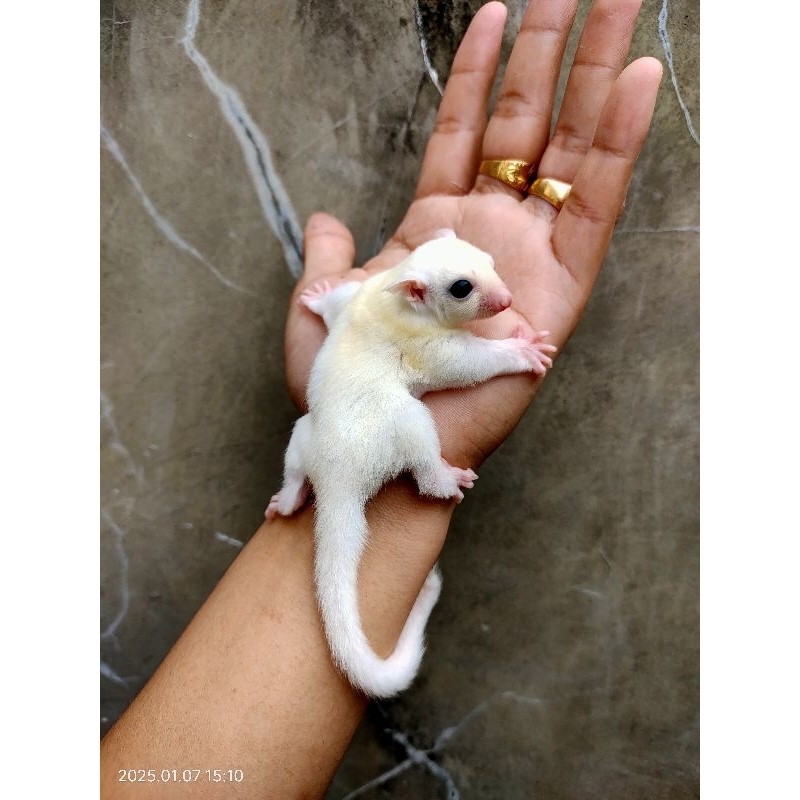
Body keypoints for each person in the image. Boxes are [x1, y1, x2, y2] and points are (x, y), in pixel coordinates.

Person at [100, 1, 662, 797]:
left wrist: (329, 292)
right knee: (405, 413)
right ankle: (426, 477)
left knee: (315, 428)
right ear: (421, 290)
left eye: (484, 276)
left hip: (323, 443)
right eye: (473, 291)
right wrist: (509, 353)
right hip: (367, 440)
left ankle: (294, 488)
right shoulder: (416, 327)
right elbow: (452, 366)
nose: (500, 297)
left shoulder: (372, 302)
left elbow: (338, 305)